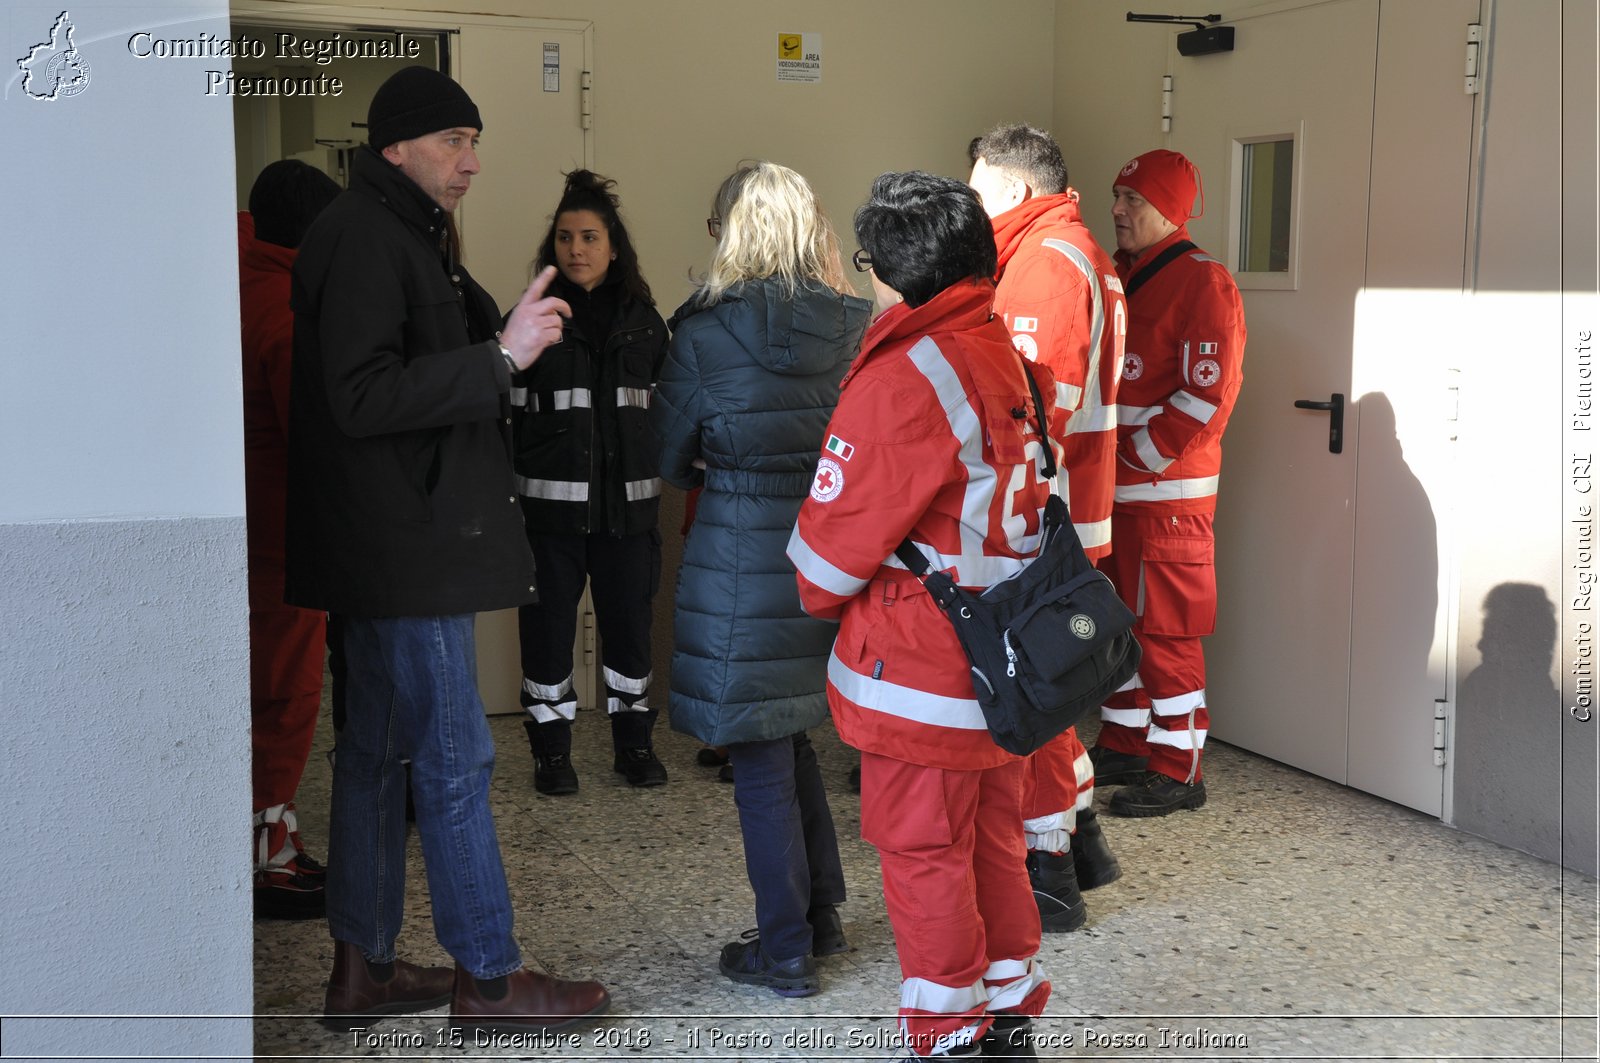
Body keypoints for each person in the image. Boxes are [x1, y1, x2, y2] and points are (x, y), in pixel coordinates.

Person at [286, 65, 609, 1033]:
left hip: (396, 544)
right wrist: (500, 356)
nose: (470, 161)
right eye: (451, 143)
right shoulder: (366, 237)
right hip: (404, 546)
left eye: (475, 141)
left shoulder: (400, 232)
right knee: (458, 757)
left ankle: (365, 970)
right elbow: (360, 396)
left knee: (379, 757)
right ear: (394, 147)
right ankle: (492, 978)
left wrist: (502, 341)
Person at [789, 171, 1055, 1058]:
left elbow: (826, 563)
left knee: (923, 854)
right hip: (1002, 668)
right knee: (991, 844)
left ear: (898, 272)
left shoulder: (908, 372)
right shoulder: (997, 346)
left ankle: (948, 1031)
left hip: (920, 672)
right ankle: (1010, 1012)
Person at [652, 162, 870, 998]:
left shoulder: (702, 335)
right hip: (828, 561)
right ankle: (820, 914)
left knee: (757, 752)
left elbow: (670, 458)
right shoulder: (857, 323)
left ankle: (783, 947)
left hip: (739, 565)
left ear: (731, 231)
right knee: (792, 730)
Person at [968, 124, 1126, 931]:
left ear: (1017, 190)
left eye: (980, 186)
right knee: (1057, 686)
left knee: (1036, 692)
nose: (971, 200)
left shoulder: (1041, 267)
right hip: (1077, 509)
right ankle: (1084, 838)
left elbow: (1028, 417)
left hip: (1046, 517)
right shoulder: (1077, 251)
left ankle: (1051, 867)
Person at [1092, 149, 1247, 817]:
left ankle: (1180, 767)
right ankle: (1128, 740)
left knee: (1166, 631)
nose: (1119, 210)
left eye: (1134, 201)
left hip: (1166, 504)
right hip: (1118, 500)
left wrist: (1126, 463)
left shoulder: (1202, 282)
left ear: (1171, 212)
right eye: (1118, 197)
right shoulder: (1124, 275)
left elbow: (1205, 399)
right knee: (1117, 626)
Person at [511, 170, 669, 795]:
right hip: (549, 522)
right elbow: (505, 418)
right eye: (565, 237)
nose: (576, 249)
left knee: (629, 633)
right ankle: (552, 754)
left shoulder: (647, 325)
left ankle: (633, 746)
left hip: (628, 521)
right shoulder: (530, 321)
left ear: (613, 246)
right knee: (547, 637)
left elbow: (670, 414)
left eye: (589, 237)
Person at [239, 159, 341, 920]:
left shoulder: (230, 277)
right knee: (285, 697)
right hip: (284, 541)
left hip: (242, 536)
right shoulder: (286, 308)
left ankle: (259, 836)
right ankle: (269, 852)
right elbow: (318, 439)